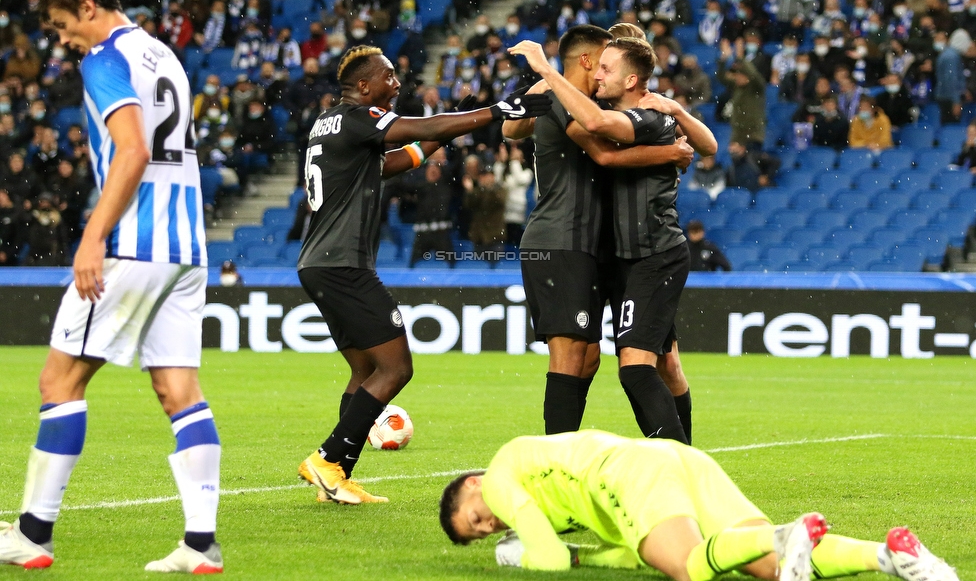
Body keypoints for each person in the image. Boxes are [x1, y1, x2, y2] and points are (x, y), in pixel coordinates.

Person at [0, 0, 221, 573]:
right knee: (178, 390)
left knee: (58, 383)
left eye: (63, 25)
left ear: (89, 7)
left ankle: (33, 534)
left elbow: (133, 149)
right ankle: (201, 546)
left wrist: (92, 238)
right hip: (185, 250)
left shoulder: (103, 60)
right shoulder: (163, 55)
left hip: (133, 247)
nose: (62, 39)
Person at [296, 45, 551, 505]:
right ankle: (327, 459)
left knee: (364, 371)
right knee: (396, 368)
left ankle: (335, 477)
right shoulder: (359, 117)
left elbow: (402, 159)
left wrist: (452, 127)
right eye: (389, 76)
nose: (396, 84)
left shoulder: (330, 124)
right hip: (344, 265)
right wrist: (496, 110)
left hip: (319, 263)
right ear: (363, 84)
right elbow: (419, 129)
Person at [510, 37, 718, 444]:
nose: (599, 74)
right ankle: (675, 461)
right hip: (615, 255)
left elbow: (704, 146)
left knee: (651, 367)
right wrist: (545, 88)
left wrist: (549, 74)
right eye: (598, 65)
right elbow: (514, 127)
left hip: (653, 253)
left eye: (608, 67)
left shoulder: (652, 115)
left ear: (632, 78)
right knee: (603, 361)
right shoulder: (595, 104)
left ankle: (680, 462)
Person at [439, 430, 959, 581]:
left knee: (692, 567)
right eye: (481, 534)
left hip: (627, 472)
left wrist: (523, 556)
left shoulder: (502, 475)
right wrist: (580, 556)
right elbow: (627, 553)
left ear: (473, 483)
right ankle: (893, 556)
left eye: (475, 517)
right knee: (768, 570)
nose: (489, 525)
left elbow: (547, 558)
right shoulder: (549, 497)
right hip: (672, 458)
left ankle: (784, 532)